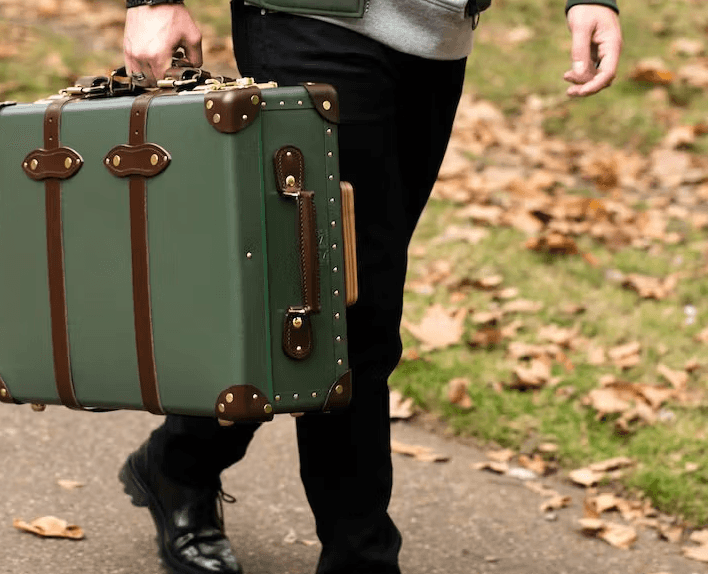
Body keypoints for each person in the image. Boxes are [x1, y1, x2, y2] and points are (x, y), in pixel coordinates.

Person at [116, 1, 622, 573]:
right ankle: (361, 556)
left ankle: (180, 462)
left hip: (437, 37)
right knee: (350, 313)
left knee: (311, 289)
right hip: (313, 21)